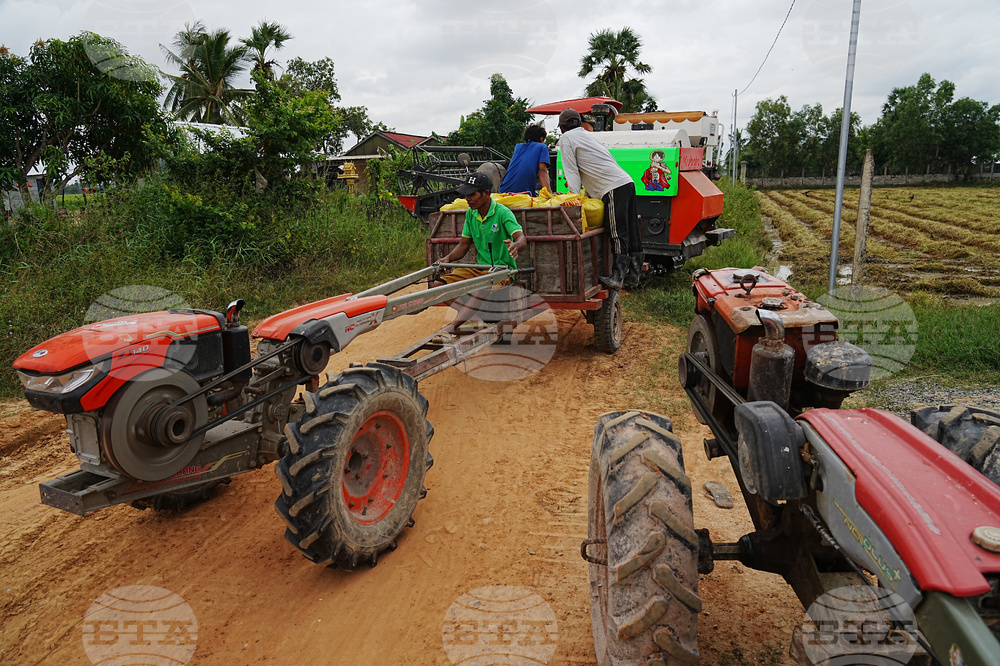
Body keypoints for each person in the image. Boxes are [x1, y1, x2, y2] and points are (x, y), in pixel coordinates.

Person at [557, 108, 643, 289]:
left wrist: (574, 199)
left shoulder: (567, 139)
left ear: (563, 128)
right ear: (578, 123)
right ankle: (634, 276)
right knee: (632, 229)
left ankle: (617, 278)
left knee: (617, 232)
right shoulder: (588, 135)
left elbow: (571, 172)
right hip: (626, 182)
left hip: (612, 187)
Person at [431, 172, 527, 288]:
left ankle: (472, 305)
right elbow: (463, 245)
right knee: (439, 285)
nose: (467, 199)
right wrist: (448, 258)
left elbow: (521, 238)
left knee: (480, 291)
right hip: (479, 270)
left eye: (472, 194)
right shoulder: (471, 214)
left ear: (486, 193)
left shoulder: (503, 213)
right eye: (466, 195)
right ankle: (468, 307)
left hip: (502, 272)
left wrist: (516, 245)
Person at [498, 124, 550, 195]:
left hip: (504, 190)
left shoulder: (518, 147)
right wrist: (549, 194)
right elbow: (542, 171)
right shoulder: (542, 147)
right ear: (541, 139)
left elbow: (523, 168)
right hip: (522, 193)